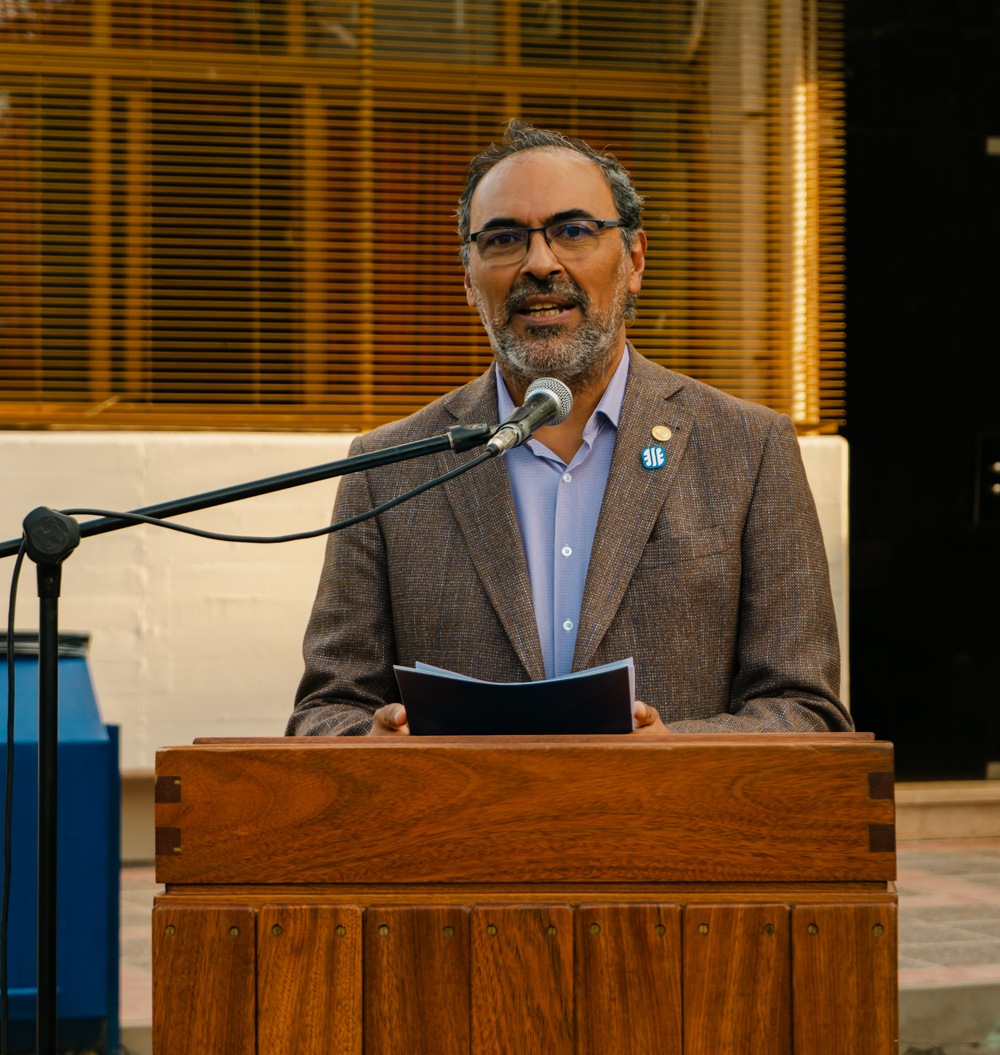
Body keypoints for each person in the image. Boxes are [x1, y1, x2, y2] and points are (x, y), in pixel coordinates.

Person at [287, 120, 848, 736]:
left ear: (633, 259)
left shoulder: (749, 449)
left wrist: (677, 753)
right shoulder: (390, 467)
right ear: (468, 279)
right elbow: (324, 711)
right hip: (464, 830)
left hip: (665, 829)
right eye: (503, 239)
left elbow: (806, 710)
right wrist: (371, 742)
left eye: (573, 231)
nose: (540, 263)